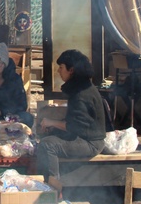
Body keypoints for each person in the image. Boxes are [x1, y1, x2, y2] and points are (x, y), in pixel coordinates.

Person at [35, 49, 106, 192]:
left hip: (91, 143)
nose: (58, 71)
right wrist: (53, 126)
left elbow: (76, 127)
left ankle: (53, 189)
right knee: (49, 136)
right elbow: (75, 119)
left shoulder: (81, 94)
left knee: (47, 145)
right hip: (85, 137)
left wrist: (51, 122)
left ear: (71, 70)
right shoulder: (81, 87)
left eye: (61, 67)